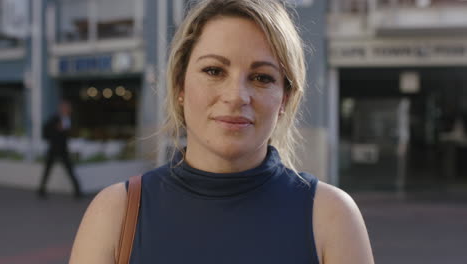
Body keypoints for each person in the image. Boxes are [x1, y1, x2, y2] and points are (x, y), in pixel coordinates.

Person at [69, 0, 374, 263]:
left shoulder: (331, 218)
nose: (236, 95)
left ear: (285, 99)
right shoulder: (116, 214)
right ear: (179, 86)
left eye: (261, 77)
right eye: (214, 71)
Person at [38, 100, 82, 199]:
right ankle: (41, 190)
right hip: (54, 149)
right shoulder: (54, 119)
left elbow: (69, 133)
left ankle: (78, 191)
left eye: (68, 108)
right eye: (66, 107)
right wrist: (57, 130)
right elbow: (46, 133)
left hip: (63, 149)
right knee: (47, 170)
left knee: (70, 170)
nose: (68, 109)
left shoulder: (69, 119)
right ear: (61, 108)